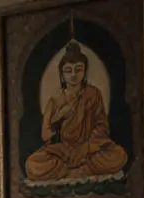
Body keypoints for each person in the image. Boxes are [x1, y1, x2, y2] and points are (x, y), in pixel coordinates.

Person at [24, 41, 128, 183]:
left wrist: (86, 148)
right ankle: (80, 171)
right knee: (32, 164)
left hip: (88, 148)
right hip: (62, 151)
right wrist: (58, 118)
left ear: (84, 72)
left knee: (118, 155)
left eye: (78, 69)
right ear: (62, 74)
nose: (73, 75)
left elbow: (102, 126)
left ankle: (72, 172)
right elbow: (46, 135)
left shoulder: (93, 94)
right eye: (68, 71)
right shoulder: (55, 100)